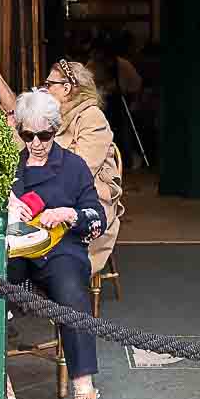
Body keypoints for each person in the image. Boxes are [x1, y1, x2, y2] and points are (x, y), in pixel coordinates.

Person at [10, 90, 106, 399]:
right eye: (27, 135)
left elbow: (98, 218)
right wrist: (7, 205)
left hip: (60, 249)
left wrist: (70, 214)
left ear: (55, 129)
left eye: (44, 135)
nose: (36, 143)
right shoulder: (10, 166)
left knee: (71, 293)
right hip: (16, 250)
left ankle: (84, 392)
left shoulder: (73, 166)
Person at [41, 60, 123, 282]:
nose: (44, 89)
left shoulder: (92, 117)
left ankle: (57, 280)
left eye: (49, 84)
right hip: (54, 187)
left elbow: (83, 169)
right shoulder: (54, 115)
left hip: (89, 196)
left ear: (66, 88)